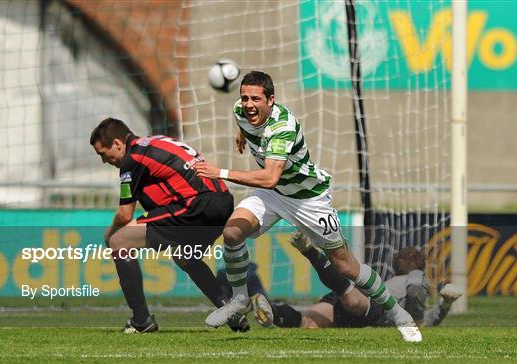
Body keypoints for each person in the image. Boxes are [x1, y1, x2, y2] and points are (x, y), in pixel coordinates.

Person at [194, 71, 422, 342]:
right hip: (275, 195)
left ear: (271, 100)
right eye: (245, 97)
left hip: (307, 199)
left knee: (347, 266)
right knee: (232, 233)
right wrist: (242, 135)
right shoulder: (241, 111)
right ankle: (240, 298)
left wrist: (219, 172)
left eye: (256, 98)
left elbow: (269, 177)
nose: (249, 104)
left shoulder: (282, 127)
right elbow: (247, 126)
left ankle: (398, 314)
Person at [90, 117, 249, 333]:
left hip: (196, 205)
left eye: (102, 154)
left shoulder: (132, 158)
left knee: (119, 242)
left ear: (117, 143)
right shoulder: (156, 142)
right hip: (222, 202)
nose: (104, 161)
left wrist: (109, 235)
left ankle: (141, 320)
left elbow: (124, 214)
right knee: (185, 256)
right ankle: (231, 313)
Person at [249, 231, 463, 329]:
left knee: (308, 322)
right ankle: (311, 253)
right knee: (351, 299)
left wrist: (444, 305)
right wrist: (442, 305)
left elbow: (425, 318)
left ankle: (272, 310)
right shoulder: (416, 279)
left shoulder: (390, 282)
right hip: (367, 305)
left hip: (347, 298)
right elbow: (421, 317)